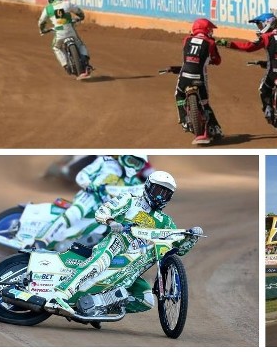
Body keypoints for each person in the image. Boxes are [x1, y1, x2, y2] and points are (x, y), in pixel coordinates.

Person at [45, 170, 203, 316]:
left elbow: (178, 249)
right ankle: (59, 295)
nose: (160, 197)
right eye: (158, 191)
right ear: (148, 186)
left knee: (147, 300)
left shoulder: (166, 221)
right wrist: (112, 222)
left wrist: (192, 237)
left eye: (166, 194)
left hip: (135, 266)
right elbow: (103, 210)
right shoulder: (130, 200)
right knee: (99, 262)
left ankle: (97, 306)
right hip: (117, 244)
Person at [215, 13, 277, 139]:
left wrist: (228, 43)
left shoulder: (266, 37)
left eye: (260, 24)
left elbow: (248, 47)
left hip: (273, 73)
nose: (259, 27)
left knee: (263, 89)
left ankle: (268, 109)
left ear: (267, 24)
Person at [36, 155, 149, 249]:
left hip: (104, 210)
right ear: (123, 157)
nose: (132, 166)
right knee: (72, 215)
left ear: (142, 166)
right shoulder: (106, 162)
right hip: (89, 196)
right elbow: (83, 175)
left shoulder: (136, 184)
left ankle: (52, 249)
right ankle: (40, 242)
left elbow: (137, 203)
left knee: (78, 233)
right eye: (130, 161)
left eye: (137, 164)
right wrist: (88, 184)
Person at [175, 18, 223, 144]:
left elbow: (187, 58)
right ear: (206, 29)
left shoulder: (186, 40)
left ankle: (184, 120)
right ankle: (215, 128)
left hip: (184, 76)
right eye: (210, 29)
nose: (211, 32)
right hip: (199, 77)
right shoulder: (210, 42)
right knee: (205, 102)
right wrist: (209, 60)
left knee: (179, 95)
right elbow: (217, 60)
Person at [38, 0, 93, 80]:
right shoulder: (67, 4)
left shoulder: (48, 9)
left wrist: (42, 30)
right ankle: (85, 59)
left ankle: (66, 64)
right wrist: (81, 17)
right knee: (80, 44)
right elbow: (78, 11)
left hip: (59, 32)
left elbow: (41, 22)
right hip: (70, 29)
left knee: (56, 47)